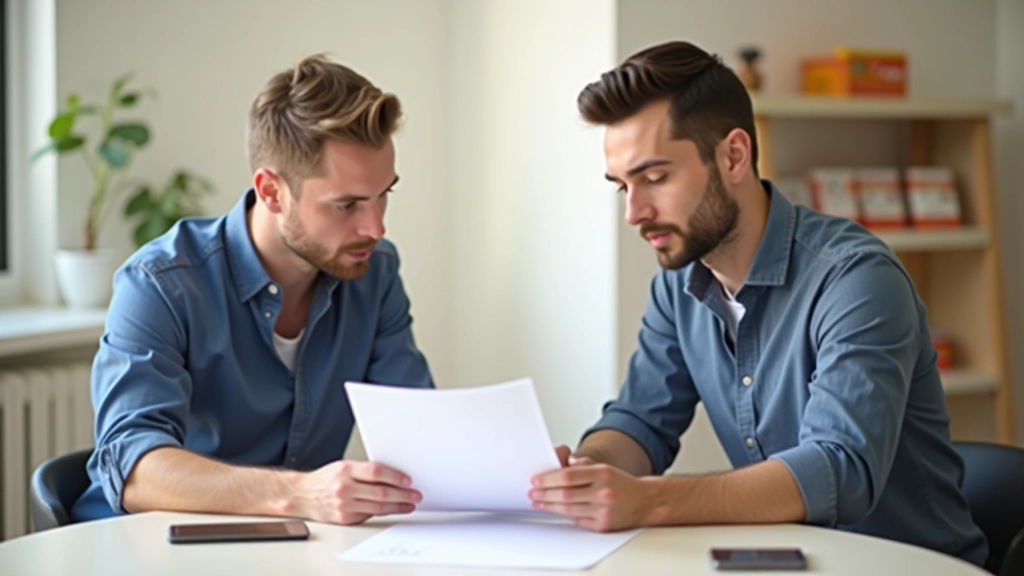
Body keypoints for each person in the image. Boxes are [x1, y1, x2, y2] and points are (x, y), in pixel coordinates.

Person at [528, 40, 988, 566]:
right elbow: (640, 423)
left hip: (910, 566)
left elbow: (839, 470)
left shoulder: (856, 280)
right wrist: (588, 472)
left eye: (655, 178)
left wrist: (649, 500)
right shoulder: (679, 286)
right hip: (788, 562)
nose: (634, 212)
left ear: (734, 156)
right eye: (622, 187)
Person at [71, 54, 432, 526]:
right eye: (347, 204)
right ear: (271, 191)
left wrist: (521, 477)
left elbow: (420, 433)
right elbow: (136, 470)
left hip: (285, 552)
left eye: (385, 193)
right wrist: (299, 494)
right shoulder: (160, 284)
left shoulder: (374, 272)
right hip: (147, 552)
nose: (376, 226)